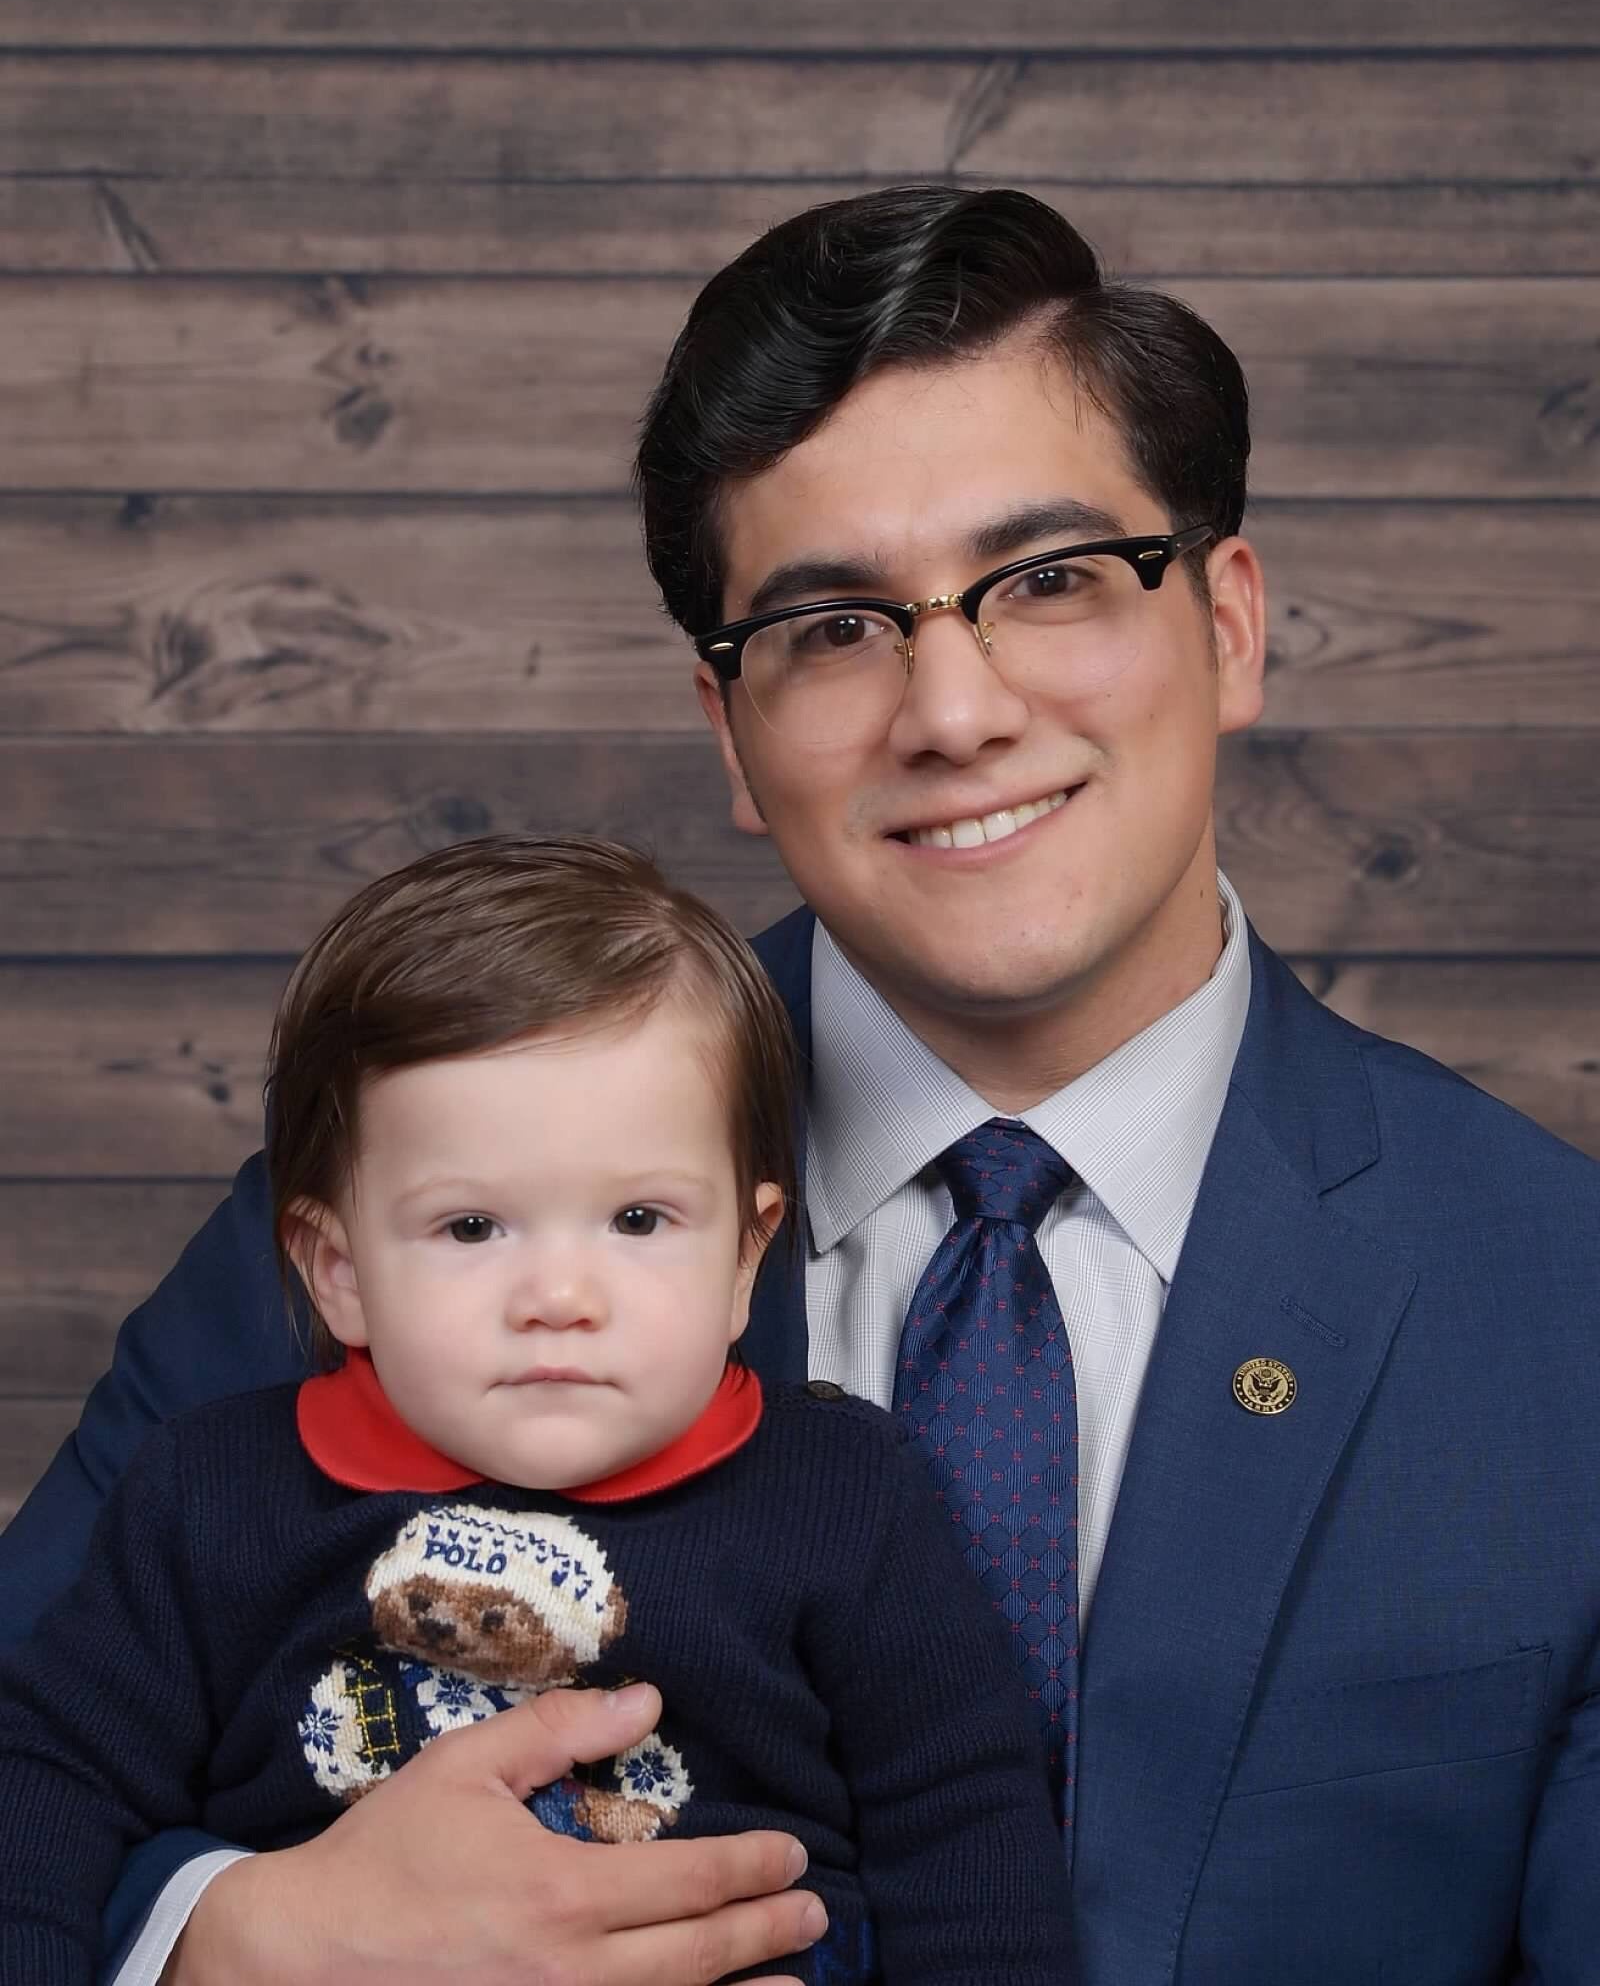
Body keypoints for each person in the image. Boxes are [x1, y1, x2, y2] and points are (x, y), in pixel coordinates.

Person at [2, 183, 1597, 1985]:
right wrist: (224, 1942)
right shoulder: (430, 1181)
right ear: (730, 732)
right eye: (834, 626)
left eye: (1051, 580)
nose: (953, 709)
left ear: (1227, 625)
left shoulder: (1561, 1301)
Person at [0, 834, 1075, 1986]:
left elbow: (967, 1838)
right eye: (472, 1227)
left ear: (744, 1258)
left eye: (638, 1220)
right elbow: (42, 1778)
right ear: (338, 1269)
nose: (559, 1297)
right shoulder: (209, 1493)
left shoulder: (848, 1496)